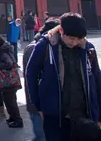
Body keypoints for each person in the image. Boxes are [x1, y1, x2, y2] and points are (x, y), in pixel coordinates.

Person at [26, 12, 101, 141]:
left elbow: (97, 78)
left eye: (79, 38)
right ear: (61, 30)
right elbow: (30, 73)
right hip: (55, 115)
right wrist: (38, 105)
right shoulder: (46, 46)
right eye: (71, 38)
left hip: (85, 113)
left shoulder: (88, 48)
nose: (75, 42)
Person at [23, 18, 60, 141]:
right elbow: (31, 77)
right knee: (41, 136)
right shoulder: (34, 48)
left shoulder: (55, 47)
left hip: (50, 103)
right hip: (37, 103)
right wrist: (35, 104)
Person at [0, 35, 23, 128]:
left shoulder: (3, 52)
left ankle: (18, 120)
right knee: (10, 100)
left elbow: (9, 63)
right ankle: (12, 117)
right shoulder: (6, 49)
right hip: (12, 80)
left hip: (8, 81)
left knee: (10, 101)